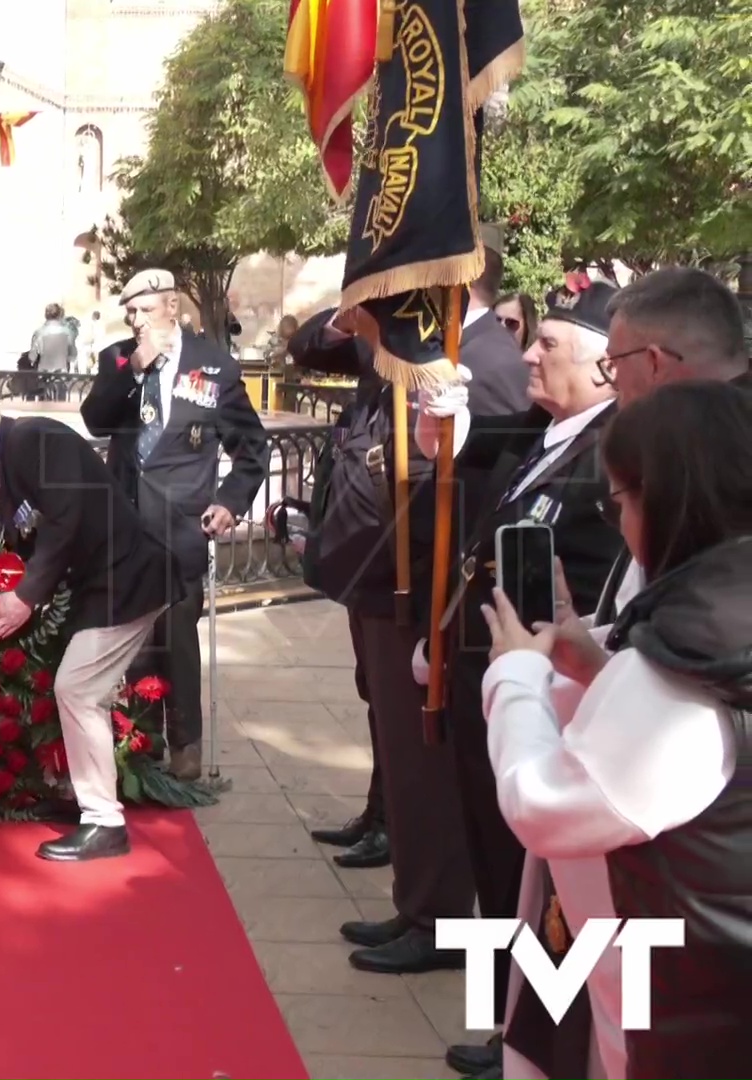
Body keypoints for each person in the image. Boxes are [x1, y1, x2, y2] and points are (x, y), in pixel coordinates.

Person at [479, 382, 752, 1080]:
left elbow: (547, 804)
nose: (620, 523)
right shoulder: (716, 629)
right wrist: (594, 662)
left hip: (693, 1007)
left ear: (665, 501)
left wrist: (517, 675)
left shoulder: (682, 672)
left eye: (620, 502)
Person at [413, 282, 626, 1074]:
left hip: (554, 696)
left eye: (550, 346)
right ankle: (505, 1023)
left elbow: (590, 583)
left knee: (534, 883)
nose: (528, 353)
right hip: (496, 677)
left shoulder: (614, 450)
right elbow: (470, 472)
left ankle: (528, 1036)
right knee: (497, 870)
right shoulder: (550, 429)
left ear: (607, 368)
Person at [329, 233, 530, 981]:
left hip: (435, 588)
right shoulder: (432, 352)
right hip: (398, 579)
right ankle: (421, 905)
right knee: (411, 769)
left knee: (431, 771)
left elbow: (485, 489)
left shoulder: (485, 359)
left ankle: (441, 917)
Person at [0, 385, 178, 861]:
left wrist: (25, 597)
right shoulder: (7, 464)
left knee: (78, 689)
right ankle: (85, 799)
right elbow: (12, 537)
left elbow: (65, 518)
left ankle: (105, 822)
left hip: (127, 580)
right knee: (75, 688)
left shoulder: (35, 439)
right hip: (101, 587)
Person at [80, 268, 270, 779]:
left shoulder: (215, 368)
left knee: (178, 636)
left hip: (183, 526)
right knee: (134, 639)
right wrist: (132, 370)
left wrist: (230, 502)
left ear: (172, 308)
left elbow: (251, 448)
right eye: (129, 312)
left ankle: (187, 742)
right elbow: (96, 419)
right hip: (128, 522)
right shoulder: (119, 359)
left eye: (143, 310)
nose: (134, 320)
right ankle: (143, 743)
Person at [587, 267, 750, 627]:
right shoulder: (704, 441)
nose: (612, 383)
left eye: (614, 363)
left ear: (654, 363)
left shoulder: (705, 459)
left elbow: (700, 634)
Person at [286, 306, 390, 870]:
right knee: (375, 696)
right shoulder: (380, 339)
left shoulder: (430, 352)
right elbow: (306, 347)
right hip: (363, 558)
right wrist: (351, 313)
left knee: (397, 709)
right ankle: (379, 812)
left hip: (395, 562)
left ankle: (395, 825)